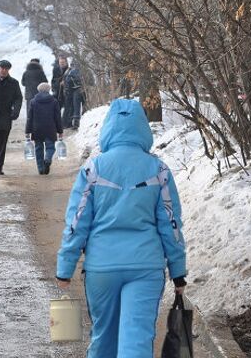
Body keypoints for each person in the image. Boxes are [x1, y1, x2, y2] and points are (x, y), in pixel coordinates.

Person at [55, 99, 187, 358]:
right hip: (145, 268)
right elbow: (171, 224)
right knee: (136, 340)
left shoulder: (93, 169)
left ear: (108, 129)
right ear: (143, 129)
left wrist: (65, 267)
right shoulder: (158, 169)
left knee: (103, 338)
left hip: (101, 269)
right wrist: (178, 270)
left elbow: (77, 223)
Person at [25, 82, 63, 175]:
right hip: (50, 128)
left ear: (38, 90)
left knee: (38, 148)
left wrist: (27, 131)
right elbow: (57, 117)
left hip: (37, 129)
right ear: (49, 90)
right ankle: (48, 159)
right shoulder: (54, 101)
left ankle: (41, 169)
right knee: (50, 147)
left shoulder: (33, 101)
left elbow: (30, 118)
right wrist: (60, 131)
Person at [64, 61, 84, 129]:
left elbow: (68, 81)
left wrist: (67, 90)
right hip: (83, 90)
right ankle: (83, 120)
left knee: (75, 107)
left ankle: (75, 124)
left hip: (74, 91)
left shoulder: (71, 71)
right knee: (82, 106)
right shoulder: (83, 71)